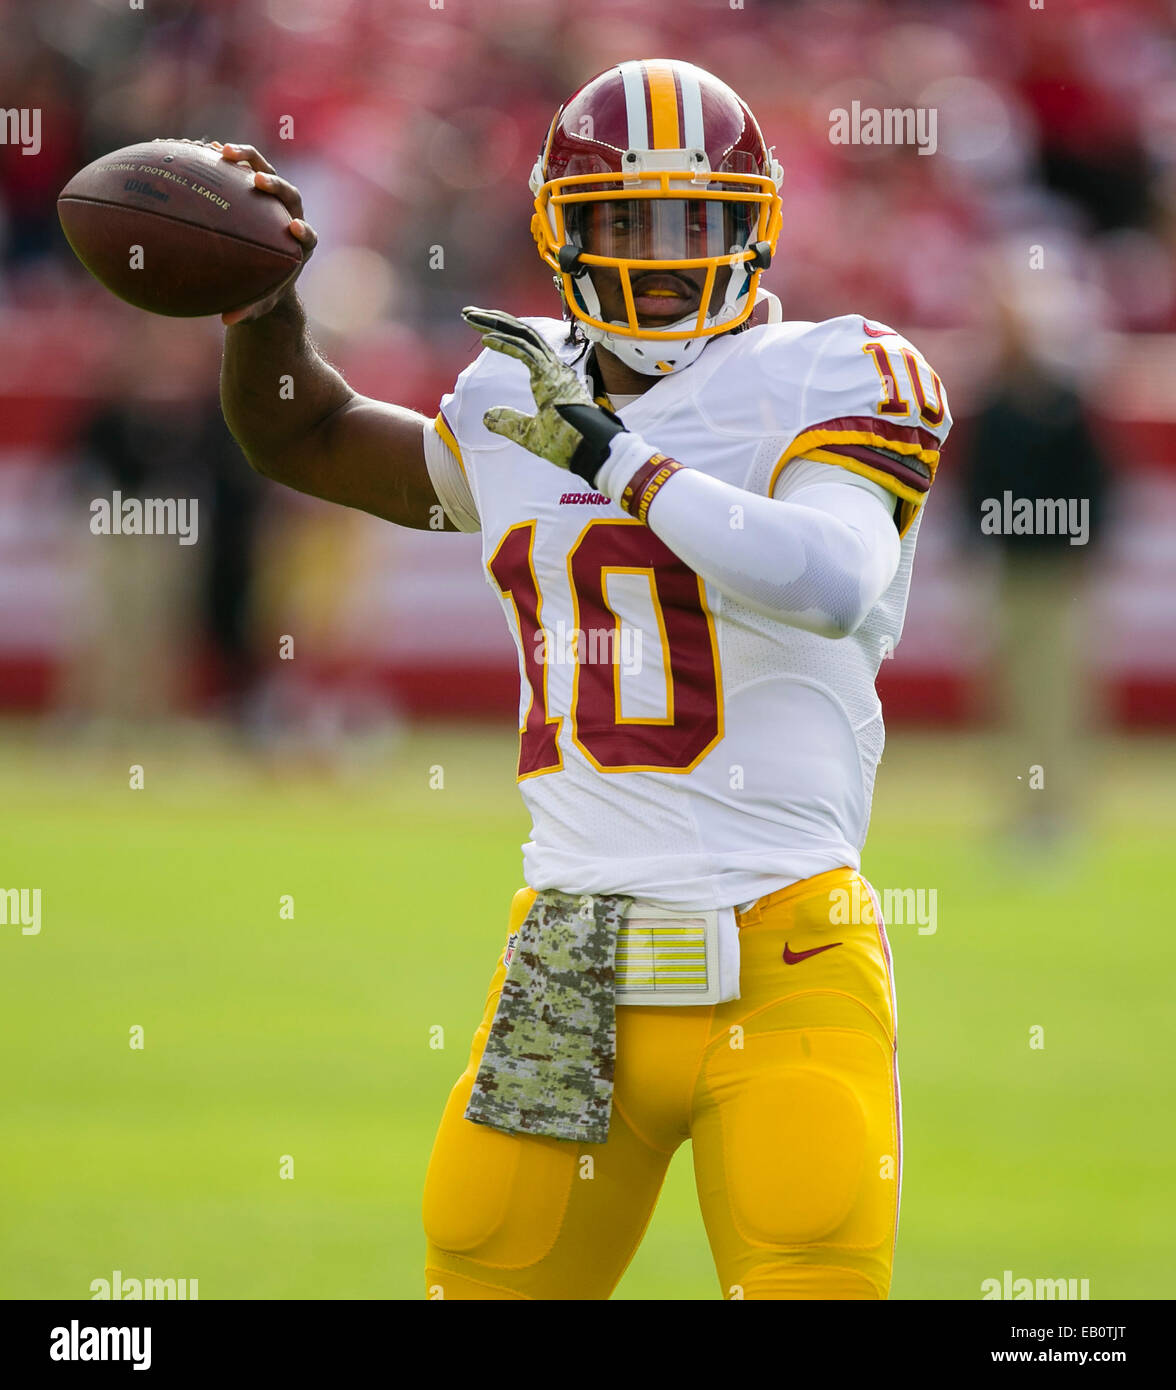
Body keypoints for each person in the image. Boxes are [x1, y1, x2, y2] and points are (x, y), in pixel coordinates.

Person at [216, 58, 952, 1301]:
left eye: (695, 219)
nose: (660, 251)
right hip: (567, 952)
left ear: (755, 225)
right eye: (623, 218)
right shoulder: (516, 387)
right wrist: (261, 308)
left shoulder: (839, 371)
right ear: (561, 228)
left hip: (783, 959)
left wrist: (615, 458)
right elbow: (311, 436)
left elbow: (829, 575)